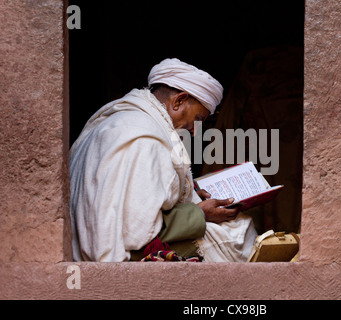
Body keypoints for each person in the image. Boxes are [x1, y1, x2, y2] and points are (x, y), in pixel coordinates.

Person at [69, 58, 257, 262]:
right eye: (198, 120)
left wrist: (190, 193)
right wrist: (199, 214)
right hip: (116, 260)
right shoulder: (146, 139)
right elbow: (137, 231)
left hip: (85, 251)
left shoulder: (118, 120)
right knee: (238, 230)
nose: (194, 132)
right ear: (179, 101)